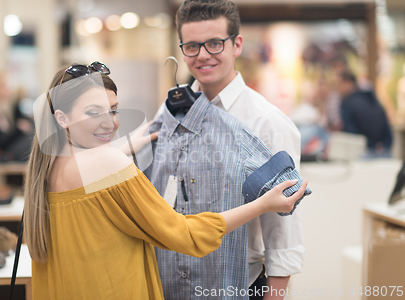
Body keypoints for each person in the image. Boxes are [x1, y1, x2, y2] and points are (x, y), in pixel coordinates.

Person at [23, 63, 308, 299]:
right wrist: (261, 205)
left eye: (113, 110)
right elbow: (184, 233)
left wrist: (121, 149)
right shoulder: (109, 164)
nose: (110, 123)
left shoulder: (46, 169)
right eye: (93, 112)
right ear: (61, 118)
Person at [151, 0, 304, 300]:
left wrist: (275, 295)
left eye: (214, 43)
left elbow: (282, 224)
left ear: (236, 44)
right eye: (192, 46)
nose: (203, 55)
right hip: (169, 284)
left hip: (238, 287)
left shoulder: (266, 122)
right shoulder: (167, 113)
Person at [337, 71, 392, 156]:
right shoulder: (372, 99)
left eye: (339, 85)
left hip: (363, 153)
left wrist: (370, 145)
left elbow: (351, 132)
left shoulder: (347, 103)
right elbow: (386, 123)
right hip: (384, 151)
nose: (338, 89)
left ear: (348, 83)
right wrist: (384, 144)